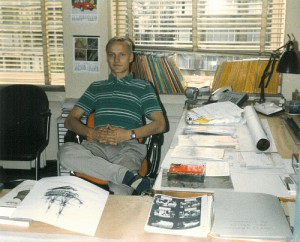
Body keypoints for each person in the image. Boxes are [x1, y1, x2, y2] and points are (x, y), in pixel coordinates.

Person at [58, 36, 166, 195]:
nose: (116, 59)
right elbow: (70, 120)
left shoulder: (143, 87)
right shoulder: (96, 88)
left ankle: (123, 180)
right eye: (111, 54)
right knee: (65, 153)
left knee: (118, 189)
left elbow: (160, 124)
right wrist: (91, 132)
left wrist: (128, 134)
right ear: (107, 57)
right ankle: (127, 177)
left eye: (122, 54)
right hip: (97, 146)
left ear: (131, 57)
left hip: (128, 148)